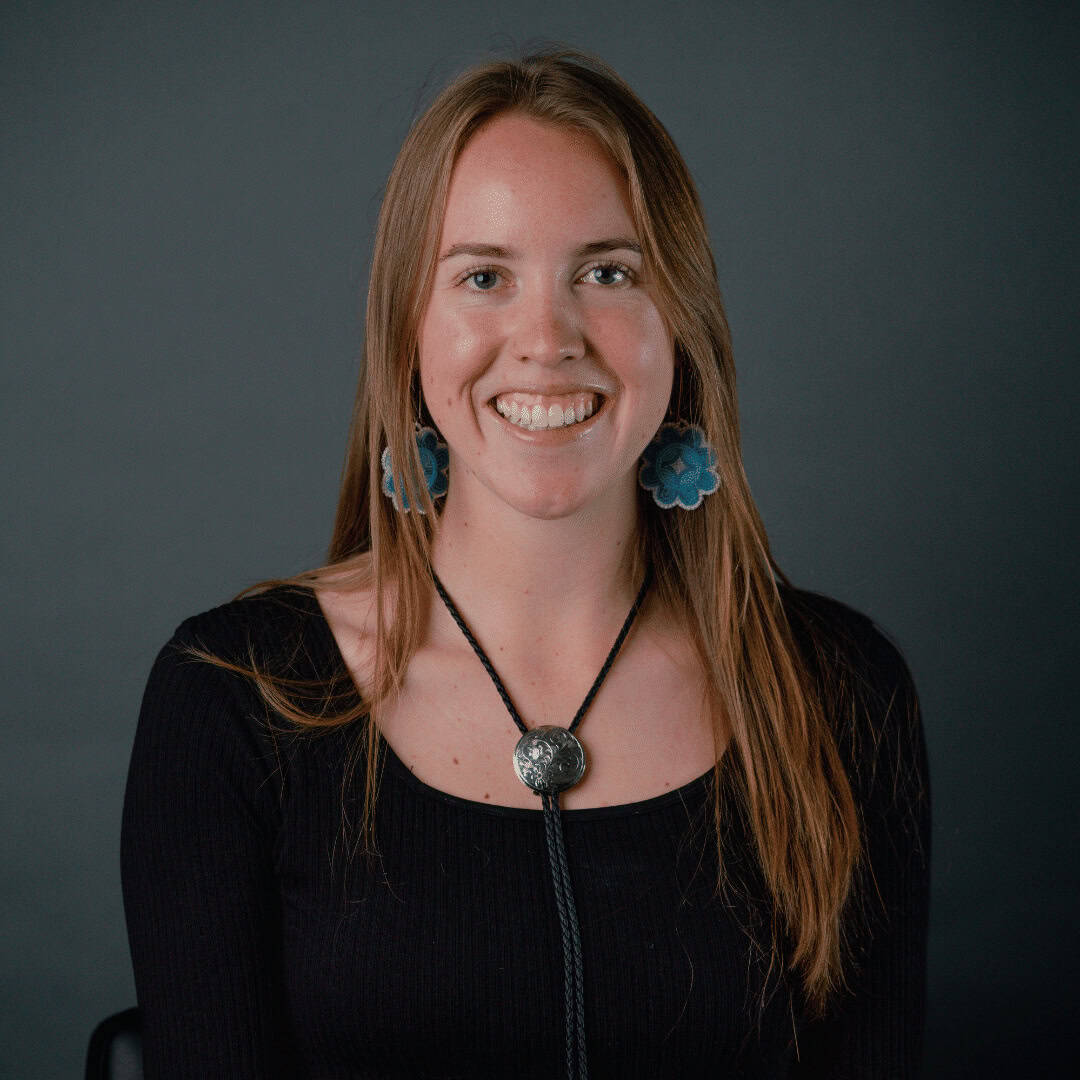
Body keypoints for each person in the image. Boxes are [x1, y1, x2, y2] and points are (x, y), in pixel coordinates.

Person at [121, 48, 930, 1079]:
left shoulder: (841, 691)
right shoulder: (234, 700)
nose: (545, 338)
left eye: (608, 272)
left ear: (679, 320)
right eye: (484, 276)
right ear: (406, 329)